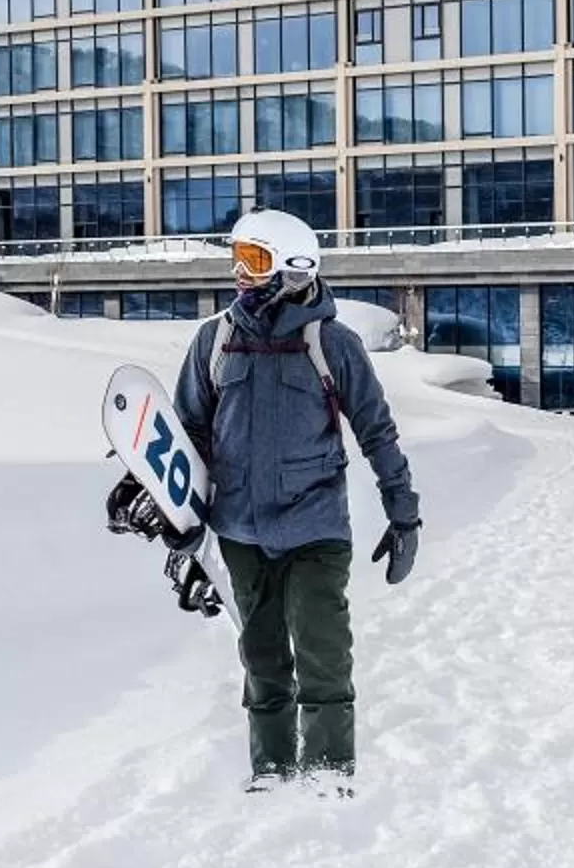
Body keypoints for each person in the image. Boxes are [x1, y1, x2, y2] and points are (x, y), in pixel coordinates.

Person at [175, 208, 420, 791]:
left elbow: (377, 432)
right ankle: (273, 771)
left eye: (254, 260)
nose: (239, 272)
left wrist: (403, 513)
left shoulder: (332, 344)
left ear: (293, 266)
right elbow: (189, 438)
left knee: (322, 652)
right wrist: (181, 525)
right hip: (240, 529)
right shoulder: (215, 341)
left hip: (315, 527)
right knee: (261, 659)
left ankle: (330, 771)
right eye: (236, 256)